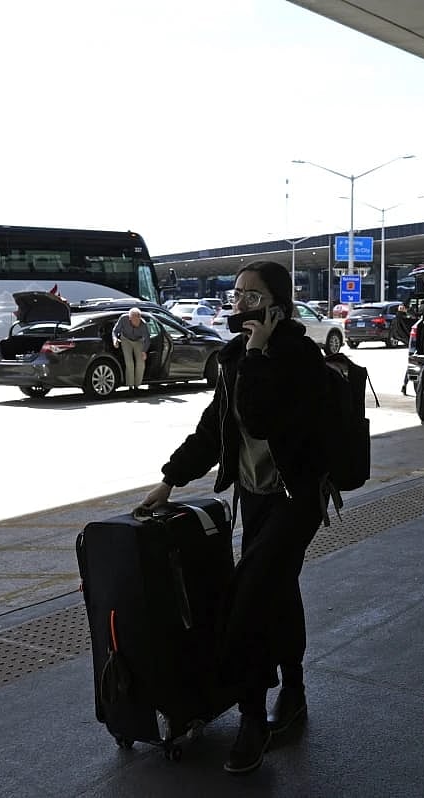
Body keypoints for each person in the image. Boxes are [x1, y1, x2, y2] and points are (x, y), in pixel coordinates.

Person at [137, 260, 330, 775]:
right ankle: (293, 690)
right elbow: (212, 430)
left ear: (276, 307)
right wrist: (170, 480)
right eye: (237, 294)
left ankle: (252, 719)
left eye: (250, 296)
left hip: (298, 499)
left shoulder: (299, 357)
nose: (238, 303)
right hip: (256, 496)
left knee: (248, 597)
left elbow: (264, 418)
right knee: (278, 589)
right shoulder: (233, 358)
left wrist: (258, 353)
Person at [112, 308, 150, 391]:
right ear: (130, 318)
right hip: (125, 339)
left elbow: (147, 339)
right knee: (129, 363)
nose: (137, 322)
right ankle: (130, 386)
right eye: (135, 320)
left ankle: (137, 385)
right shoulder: (123, 319)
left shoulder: (143, 324)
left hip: (138, 340)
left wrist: (144, 351)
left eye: (138, 319)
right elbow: (115, 331)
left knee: (141, 363)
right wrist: (115, 340)